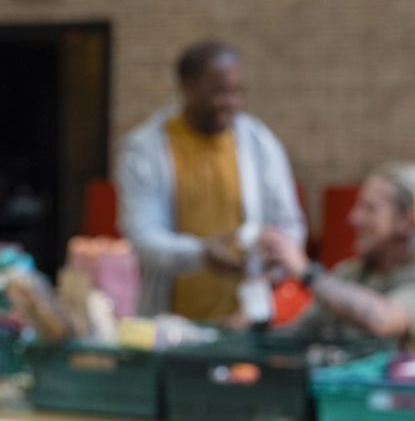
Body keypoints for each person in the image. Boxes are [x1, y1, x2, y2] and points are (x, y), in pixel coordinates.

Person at [116, 41, 304, 320]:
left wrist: (271, 270)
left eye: (238, 92)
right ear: (187, 87)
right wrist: (201, 254)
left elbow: (290, 226)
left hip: (245, 318)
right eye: (219, 92)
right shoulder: (144, 149)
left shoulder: (260, 144)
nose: (231, 103)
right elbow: (143, 237)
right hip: (172, 322)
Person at [265, 161, 415, 351]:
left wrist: (306, 271)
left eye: (369, 209)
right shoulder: (349, 274)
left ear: (406, 220)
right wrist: (251, 326)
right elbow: (294, 336)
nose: (353, 218)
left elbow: (384, 320)